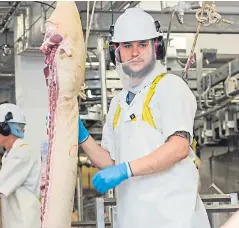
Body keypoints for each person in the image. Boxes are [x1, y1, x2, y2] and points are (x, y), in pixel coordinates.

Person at [77, 8, 210, 228]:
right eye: (127, 46)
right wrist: (81, 136)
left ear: (156, 47)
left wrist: (126, 170)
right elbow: (110, 162)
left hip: (173, 222)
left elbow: (178, 148)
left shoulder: (169, 86)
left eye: (142, 44)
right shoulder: (118, 102)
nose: (135, 52)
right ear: (116, 52)